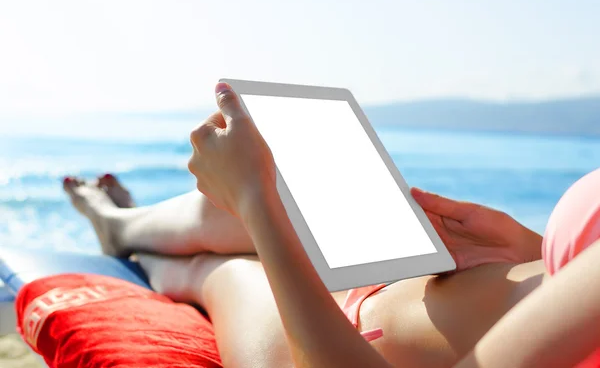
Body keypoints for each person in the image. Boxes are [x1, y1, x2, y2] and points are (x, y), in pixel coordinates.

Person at [62, 82, 600, 367]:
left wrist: (254, 199)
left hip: (335, 349)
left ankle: (123, 236)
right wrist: (533, 249)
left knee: (221, 264)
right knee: (254, 205)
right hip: (415, 283)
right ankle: (121, 224)